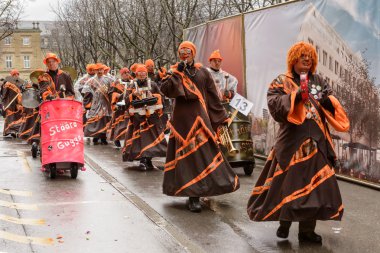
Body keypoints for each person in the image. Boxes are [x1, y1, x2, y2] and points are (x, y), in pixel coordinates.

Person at [246, 41, 350, 243]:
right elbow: (274, 105)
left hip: (317, 141)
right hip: (292, 143)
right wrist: (295, 97)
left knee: (315, 188)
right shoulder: (281, 81)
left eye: (310, 56)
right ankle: (284, 223)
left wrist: (329, 102)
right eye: (302, 55)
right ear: (293, 59)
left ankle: (307, 231)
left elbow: (330, 100)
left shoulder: (318, 80)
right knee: (288, 184)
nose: (307, 59)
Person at [160, 41, 240, 212]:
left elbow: (212, 97)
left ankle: (206, 188)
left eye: (188, 51)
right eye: (182, 51)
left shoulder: (203, 72)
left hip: (200, 121)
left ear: (193, 53)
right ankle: (193, 196)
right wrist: (177, 73)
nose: (185, 54)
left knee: (203, 157)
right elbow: (166, 90)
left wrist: (220, 118)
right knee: (187, 161)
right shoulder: (174, 71)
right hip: (181, 124)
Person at [122, 64, 167, 169]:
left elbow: (161, 96)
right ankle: (142, 159)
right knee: (139, 139)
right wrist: (133, 95)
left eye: (144, 73)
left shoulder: (153, 84)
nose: (142, 75)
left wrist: (154, 96)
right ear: (136, 74)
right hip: (138, 116)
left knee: (151, 138)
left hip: (152, 116)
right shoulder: (131, 85)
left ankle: (148, 159)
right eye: (140, 73)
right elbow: (126, 99)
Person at [82, 63, 113, 145]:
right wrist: (87, 103)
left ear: (103, 70)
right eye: (97, 70)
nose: (99, 71)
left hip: (105, 103)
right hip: (95, 103)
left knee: (104, 121)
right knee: (95, 121)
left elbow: (113, 90)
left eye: (101, 69)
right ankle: (95, 136)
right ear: (95, 70)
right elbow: (86, 93)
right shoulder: (91, 81)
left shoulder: (109, 80)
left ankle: (103, 137)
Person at [107, 67, 132, 147]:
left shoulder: (132, 83)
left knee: (129, 123)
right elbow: (110, 93)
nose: (126, 74)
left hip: (129, 105)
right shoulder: (117, 82)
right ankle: (117, 138)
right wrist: (116, 95)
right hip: (119, 106)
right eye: (124, 73)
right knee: (118, 123)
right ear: (121, 74)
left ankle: (128, 138)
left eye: (128, 72)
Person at [1, 69, 24, 137]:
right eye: (15, 74)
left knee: (18, 117)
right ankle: (10, 131)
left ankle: (17, 130)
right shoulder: (8, 83)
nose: (16, 76)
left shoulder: (20, 83)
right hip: (10, 103)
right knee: (10, 117)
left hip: (18, 103)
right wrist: (4, 103)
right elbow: (4, 94)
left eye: (17, 74)